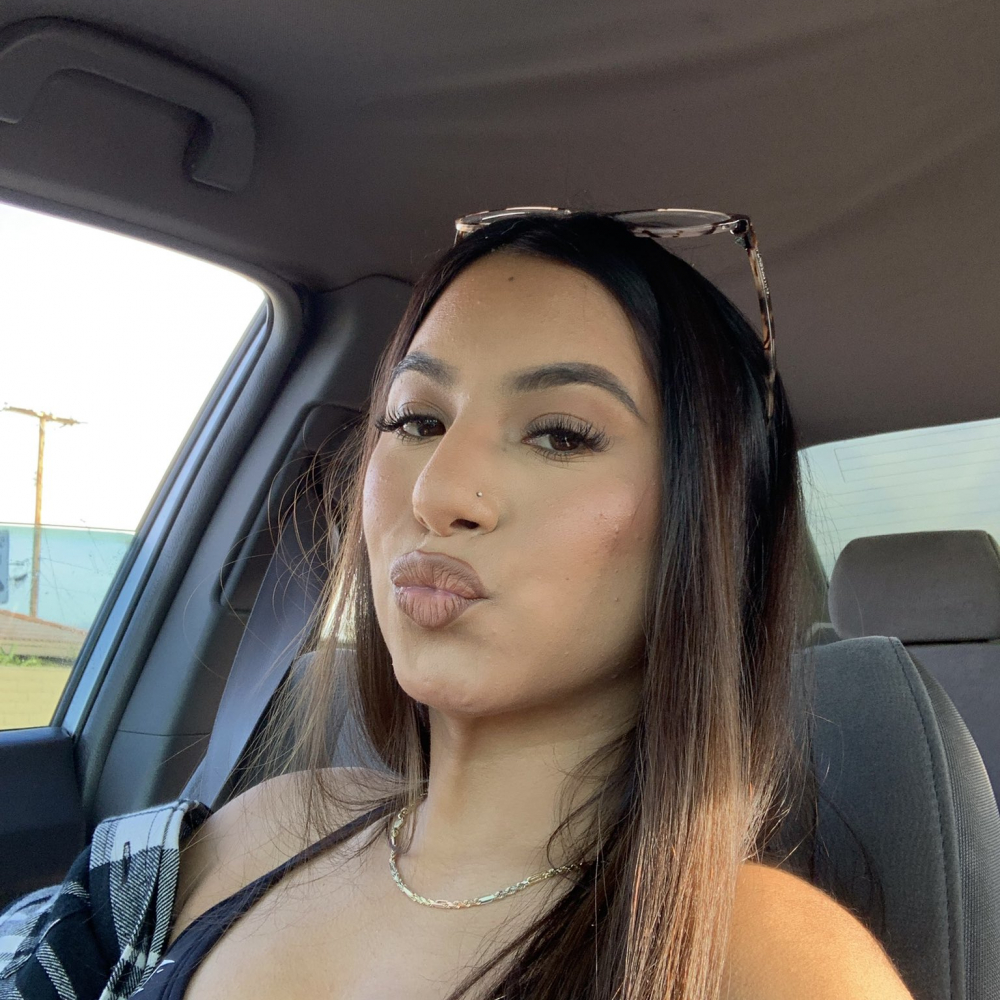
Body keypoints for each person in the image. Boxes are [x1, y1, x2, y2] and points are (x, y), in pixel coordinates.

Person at [0, 210, 915, 1000]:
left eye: (561, 434)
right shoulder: (247, 835)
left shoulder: (764, 960)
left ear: (708, 522)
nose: (437, 492)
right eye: (417, 420)